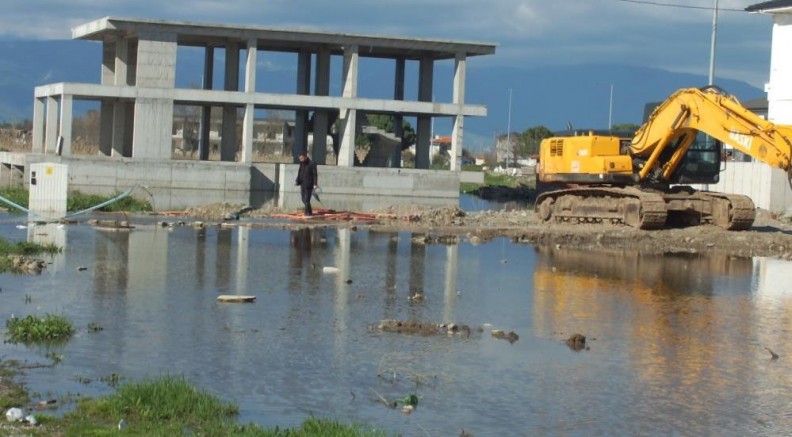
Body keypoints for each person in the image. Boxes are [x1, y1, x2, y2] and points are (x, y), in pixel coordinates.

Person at [295, 151, 318, 216]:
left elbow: (315, 174)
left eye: (301, 158)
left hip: (309, 184)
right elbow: (300, 173)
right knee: (303, 198)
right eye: (300, 159)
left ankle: (307, 214)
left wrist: (315, 184)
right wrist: (297, 181)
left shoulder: (312, 164)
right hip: (302, 183)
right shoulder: (302, 164)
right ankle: (310, 212)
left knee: (307, 199)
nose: (301, 160)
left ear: (305, 157)